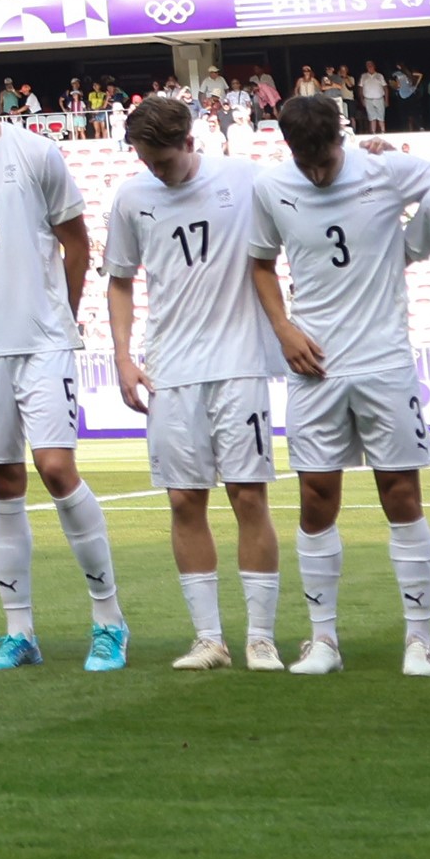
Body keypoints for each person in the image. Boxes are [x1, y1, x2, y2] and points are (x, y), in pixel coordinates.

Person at [0, 46, 122, 671]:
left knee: (57, 469)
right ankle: (20, 634)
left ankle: (109, 622)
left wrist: (57, 314)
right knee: (2, 484)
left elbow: (76, 242)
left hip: (42, 341)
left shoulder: (35, 154)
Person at [246, 91, 430, 677]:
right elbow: (260, 263)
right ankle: (323, 641)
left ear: (343, 136)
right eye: (305, 161)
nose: (316, 171)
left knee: (401, 496)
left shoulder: (385, 169)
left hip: (384, 362)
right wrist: (282, 329)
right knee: (314, 499)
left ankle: (419, 641)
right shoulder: (271, 187)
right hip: (314, 367)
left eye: (325, 158)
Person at [99, 95, 286, 668]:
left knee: (248, 495)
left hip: (239, 362)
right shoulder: (132, 198)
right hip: (170, 368)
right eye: (145, 160)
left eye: (163, 160)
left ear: (188, 142)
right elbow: (120, 280)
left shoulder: (247, 178)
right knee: (184, 499)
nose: (155, 170)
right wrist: (124, 356)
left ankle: (260, 637)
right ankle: (210, 639)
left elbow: (317, 185)